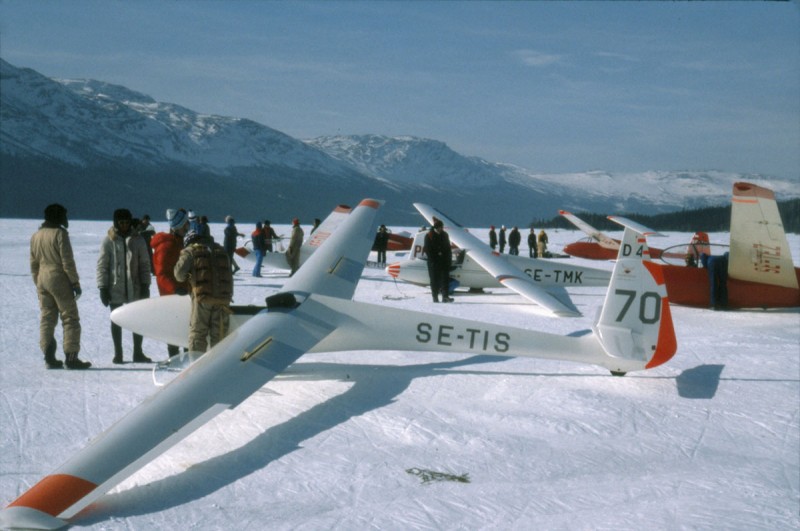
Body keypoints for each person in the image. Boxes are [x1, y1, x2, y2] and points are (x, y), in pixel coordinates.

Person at [30, 204, 90, 369]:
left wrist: (38, 282)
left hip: (42, 278)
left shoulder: (36, 235)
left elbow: (33, 263)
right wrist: (75, 282)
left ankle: (48, 353)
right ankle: (71, 357)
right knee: (69, 317)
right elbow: (67, 261)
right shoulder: (60, 234)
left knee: (47, 317)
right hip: (58, 278)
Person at [97, 208, 153, 364]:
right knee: (116, 320)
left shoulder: (138, 240)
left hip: (135, 286)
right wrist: (102, 287)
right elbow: (103, 265)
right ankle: (118, 354)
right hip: (115, 286)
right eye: (121, 222)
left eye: (126, 222)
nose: (124, 225)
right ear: (115, 223)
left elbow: (145, 264)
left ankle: (138, 352)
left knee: (137, 319)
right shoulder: (108, 240)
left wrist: (145, 284)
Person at [174, 230, 233, 352]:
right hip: (223, 300)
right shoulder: (221, 250)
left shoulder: (190, 251)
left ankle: (196, 367)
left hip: (202, 299)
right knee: (219, 338)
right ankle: (218, 367)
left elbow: (179, 275)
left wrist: (190, 276)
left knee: (198, 335)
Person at [151, 208, 191, 357]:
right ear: (179, 225)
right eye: (186, 223)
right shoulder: (166, 246)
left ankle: (187, 358)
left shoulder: (181, 242)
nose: (188, 225)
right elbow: (161, 274)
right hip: (172, 296)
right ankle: (174, 358)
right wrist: (175, 289)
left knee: (186, 328)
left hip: (183, 293)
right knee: (174, 330)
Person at [423, 218, 453, 303]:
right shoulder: (429, 235)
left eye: (442, 227)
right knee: (434, 280)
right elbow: (428, 250)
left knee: (445, 279)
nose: (441, 229)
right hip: (434, 262)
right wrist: (434, 259)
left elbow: (448, 248)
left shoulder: (445, 235)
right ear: (436, 228)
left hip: (444, 261)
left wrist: (448, 260)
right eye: (440, 227)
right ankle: (435, 297)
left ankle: (445, 296)